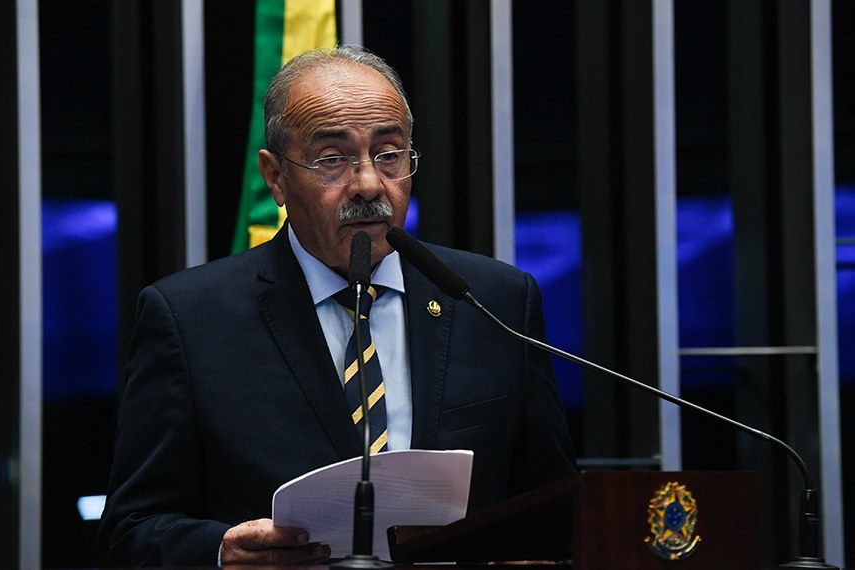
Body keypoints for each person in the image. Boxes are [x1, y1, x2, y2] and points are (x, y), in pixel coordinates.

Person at [98, 45, 576, 567]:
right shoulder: (190, 319)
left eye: (390, 153)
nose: (370, 183)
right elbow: (131, 532)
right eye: (332, 159)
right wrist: (220, 552)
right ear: (276, 176)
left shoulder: (493, 300)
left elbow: (555, 511)